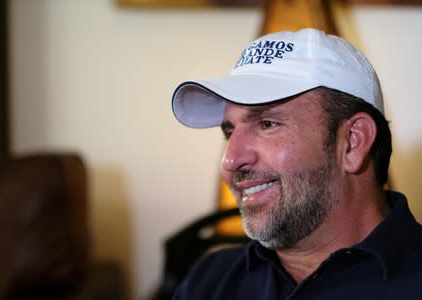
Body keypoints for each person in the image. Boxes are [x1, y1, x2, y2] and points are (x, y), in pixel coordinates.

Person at [170, 28, 422, 299]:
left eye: (267, 124)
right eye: (229, 132)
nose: (231, 161)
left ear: (352, 142)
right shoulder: (211, 280)